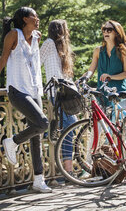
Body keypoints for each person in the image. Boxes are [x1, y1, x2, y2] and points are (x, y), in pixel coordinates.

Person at [0, 7, 51, 193]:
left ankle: (38, 179)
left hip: (34, 90)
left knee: (37, 137)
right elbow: (3, 59)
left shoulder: (36, 36)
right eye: (35, 16)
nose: (38, 19)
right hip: (17, 90)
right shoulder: (13, 35)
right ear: (26, 19)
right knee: (42, 123)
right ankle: (13, 142)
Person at [40, 19, 76, 175]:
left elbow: (66, 74)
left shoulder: (63, 48)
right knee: (70, 127)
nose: (66, 32)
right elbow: (37, 62)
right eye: (64, 29)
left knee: (71, 127)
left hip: (67, 92)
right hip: (56, 92)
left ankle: (67, 168)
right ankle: (67, 170)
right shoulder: (48, 43)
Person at [79, 20, 126, 107]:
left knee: (117, 120)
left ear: (116, 33)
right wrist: (81, 80)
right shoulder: (98, 51)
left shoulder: (124, 51)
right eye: (104, 29)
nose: (105, 32)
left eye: (109, 29)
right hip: (101, 94)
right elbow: (91, 70)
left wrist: (110, 77)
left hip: (119, 93)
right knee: (101, 120)